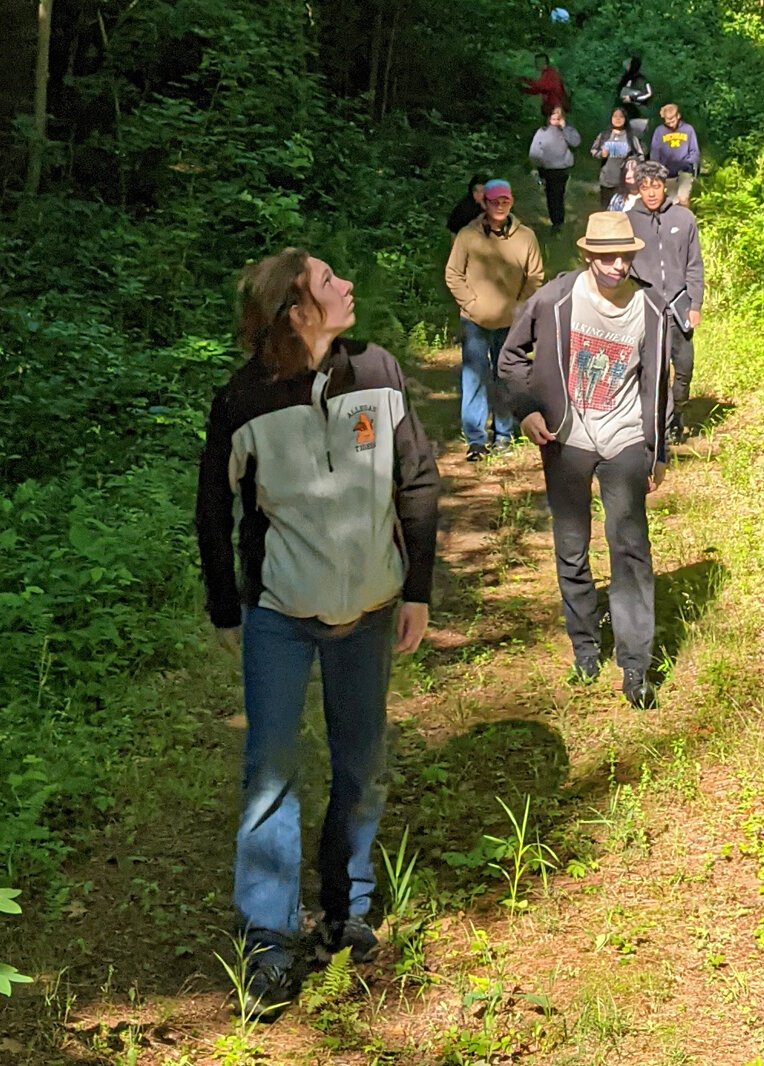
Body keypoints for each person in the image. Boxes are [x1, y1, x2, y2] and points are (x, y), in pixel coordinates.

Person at [195, 248, 440, 1021]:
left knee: (361, 766)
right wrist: (227, 606)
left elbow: (420, 482)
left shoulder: (379, 372)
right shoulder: (242, 403)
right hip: (279, 619)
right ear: (296, 311)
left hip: (368, 610)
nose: (347, 287)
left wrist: (418, 592)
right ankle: (268, 940)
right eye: (331, 283)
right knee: (270, 776)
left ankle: (348, 909)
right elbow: (213, 511)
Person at [497, 213, 670, 710]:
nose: (619, 266)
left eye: (626, 256)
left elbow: (660, 384)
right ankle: (585, 647)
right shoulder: (555, 300)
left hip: (625, 440)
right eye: (608, 257)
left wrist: (657, 451)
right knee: (572, 546)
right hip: (567, 438)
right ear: (588, 256)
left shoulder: (650, 307)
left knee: (630, 547)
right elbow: (510, 358)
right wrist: (528, 409)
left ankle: (636, 666)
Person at [444, 178, 546, 461]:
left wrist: (520, 307)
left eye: (505, 201)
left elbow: (535, 275)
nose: (500, 206)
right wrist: (471, 303)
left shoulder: (525, 236)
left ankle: (504, 433)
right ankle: (476, 439)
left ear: (511, 202)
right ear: (485, 204)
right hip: (474, 320)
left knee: (506, 377)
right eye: (494, 201)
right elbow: (453, 274)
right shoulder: (468, 235)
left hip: (511, 322)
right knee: (474, 376)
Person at [627, 161, 704, 444]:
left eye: (656, 186)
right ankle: (666, 423)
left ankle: (679, 408)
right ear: (638, 189)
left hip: (679, 305)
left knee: (683, 367)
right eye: (645, 187)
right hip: (646, 307)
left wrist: (695, 304)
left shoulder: (684, 219)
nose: (651, 193)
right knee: (655, 371)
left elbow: (694, 265)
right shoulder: (627, 221)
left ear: (665, 187)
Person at [528, 107, 581, 234]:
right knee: (551, 195)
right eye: (553, 117)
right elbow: (534, 151)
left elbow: (576, 142)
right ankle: (555, 220)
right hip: (547, 169)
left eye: (559, 117)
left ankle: (558, 222)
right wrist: (538, 164)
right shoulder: (542, 132)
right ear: (548, 118)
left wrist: (564, 129)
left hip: (562, 169)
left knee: (558, 194)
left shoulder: (568, 131)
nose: (556, 120)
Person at [649, 104, 701, 205]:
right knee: (670, 203)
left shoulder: (688, 129)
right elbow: (655, 153)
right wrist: (657, 170)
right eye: (668, 122)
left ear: (678, 116)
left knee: (683, 198)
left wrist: (688, 163)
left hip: (684, 171)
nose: (671, 124)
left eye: (673, 121)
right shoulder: (659, 131)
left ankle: (687, 220)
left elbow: (695, 152)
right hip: (667, 172)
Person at [592, 108, 643, 210]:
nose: (618, 119)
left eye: (621, 117)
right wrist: (602, 154)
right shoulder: (604, 135)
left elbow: (640, 156)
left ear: (625, 119)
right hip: (606, 179)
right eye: (615, 116)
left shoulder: (631, 137)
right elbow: (593, 151)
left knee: (622, 209)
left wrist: (632, 162)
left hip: (624, 181)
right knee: (606, 209)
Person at [519, 53, 569, 119]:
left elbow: (541, 86)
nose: (536, 64)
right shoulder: (545, 74)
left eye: (538, 62)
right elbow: (539, 90)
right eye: (536, 62)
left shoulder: (551, 73)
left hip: (556, 107)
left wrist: (526, 81)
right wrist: (523, 90)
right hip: (550, 108)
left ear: (544, 63)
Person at [616, 56, 653, 142]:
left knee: (637, 141)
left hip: (639, 114)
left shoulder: (641, 80)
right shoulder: (625, 79)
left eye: (629, 65)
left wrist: (632, 99)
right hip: (625, 115)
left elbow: (648, 94)